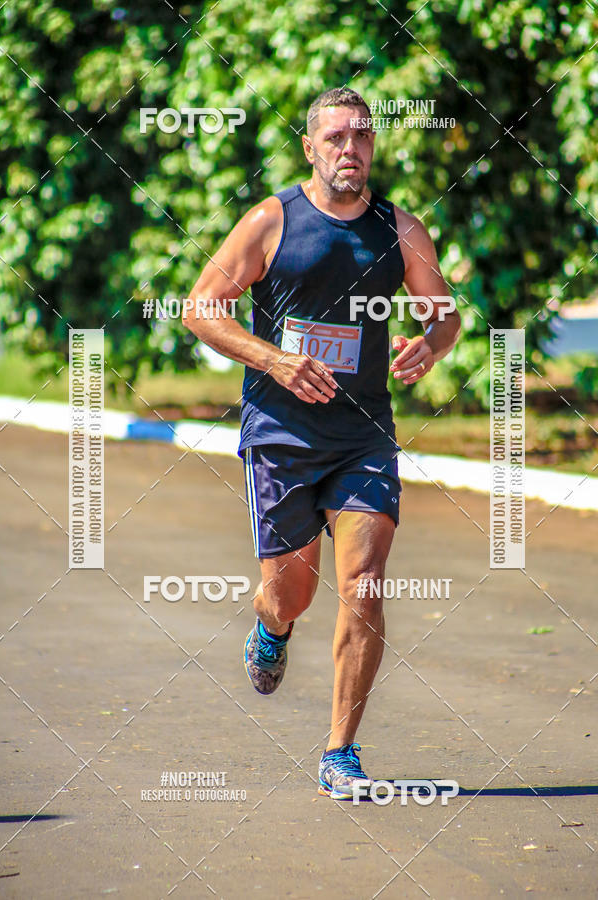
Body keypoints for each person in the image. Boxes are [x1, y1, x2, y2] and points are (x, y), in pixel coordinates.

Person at [183, 87, 460, 800]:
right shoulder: (273, 220)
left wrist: (428, 345)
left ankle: (340, 752)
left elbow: (447, 317)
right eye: (335, 137)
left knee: (364, 585)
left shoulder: (400, 230)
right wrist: (273, 358)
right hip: (280, 433)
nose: (350, 149)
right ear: (310, 148)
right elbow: (200, 308)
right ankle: (271, 626)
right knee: (291, 592)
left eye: (362, 136)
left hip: (362, 435)